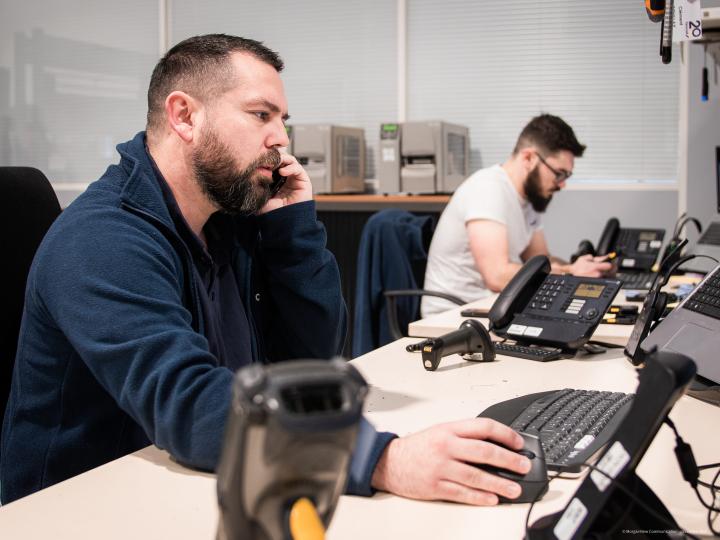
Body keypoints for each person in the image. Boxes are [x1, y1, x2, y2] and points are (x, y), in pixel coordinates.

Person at [1, 34, 531, 507]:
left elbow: (314, 359)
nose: (281, 139)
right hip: (85, 507)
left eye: (284, 121)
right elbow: (187, 402)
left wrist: (293, 231)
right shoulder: (102, 241)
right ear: (185, 116)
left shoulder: (229, 220)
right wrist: (381, 460)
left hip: (199, 475)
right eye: (261, 115)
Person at [422, 114, 613, 316]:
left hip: (490, 307)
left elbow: (542, 260)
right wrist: (572, 272)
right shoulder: (488, 189)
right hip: (453, 315)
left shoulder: (529, 199)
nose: (562, 183)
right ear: (529, 158)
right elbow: (497, 276)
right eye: (559, 173)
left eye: (567, 175)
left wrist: (584, 267)